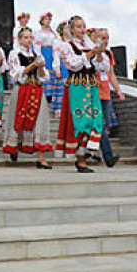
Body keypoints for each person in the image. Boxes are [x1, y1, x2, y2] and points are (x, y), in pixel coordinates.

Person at [55, 16, 107, 173]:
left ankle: (88, 152)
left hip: (91, 85)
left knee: (95, 119)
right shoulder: (66, 46)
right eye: (78, 26)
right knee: (81, 121)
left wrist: (98, 54)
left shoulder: (90, 45)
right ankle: (80, 158)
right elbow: (73, 65)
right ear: (71, 29)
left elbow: (102, 67)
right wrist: (90, 54)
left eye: (84, 26)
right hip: (77, 85)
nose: (82, 29)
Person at [2, 27, 52, 168]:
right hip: (21, 89)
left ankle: (41, 157)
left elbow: (43, 77)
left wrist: (41, 67)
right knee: (18, 118)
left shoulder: (37, 54)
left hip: (36, 89)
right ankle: (14, 147)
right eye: (25, 37)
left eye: (30, 37)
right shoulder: (14, 54)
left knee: (41, 120)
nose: (28, 40)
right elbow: (15, 74)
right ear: (19, 39)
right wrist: (32, 66)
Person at [94, 28, 122, 167]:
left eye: (107, 37)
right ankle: (108, 156)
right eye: (102, 37)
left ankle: (92, 151)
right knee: (100, 124)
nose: (105, 40)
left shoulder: (109, 54)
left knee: (103, 126)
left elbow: (111, 74)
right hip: (94, 92)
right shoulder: (91, 52)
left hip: (105, 92)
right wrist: (97, 54)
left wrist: (118, 90)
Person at [50, 21, 72, 118]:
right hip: (62, 66)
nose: (68, 30)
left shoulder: (71, 41)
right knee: (61, 88)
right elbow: (56, 55)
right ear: (62, 31)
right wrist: (57, 68)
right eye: (66, 28)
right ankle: (58, 109)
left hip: (71, 65)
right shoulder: (57, 42)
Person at [34, 14, 57, 104]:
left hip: (52, 53)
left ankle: (53, 94)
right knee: (45, 72)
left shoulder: (53, 33)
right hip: (44, 52)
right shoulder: (39, 33)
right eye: (46, 19)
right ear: (42, 21)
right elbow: (37, 46)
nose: (48, 21)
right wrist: (39, 56)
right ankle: (46, 94)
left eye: (49, 19)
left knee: (53, 72)